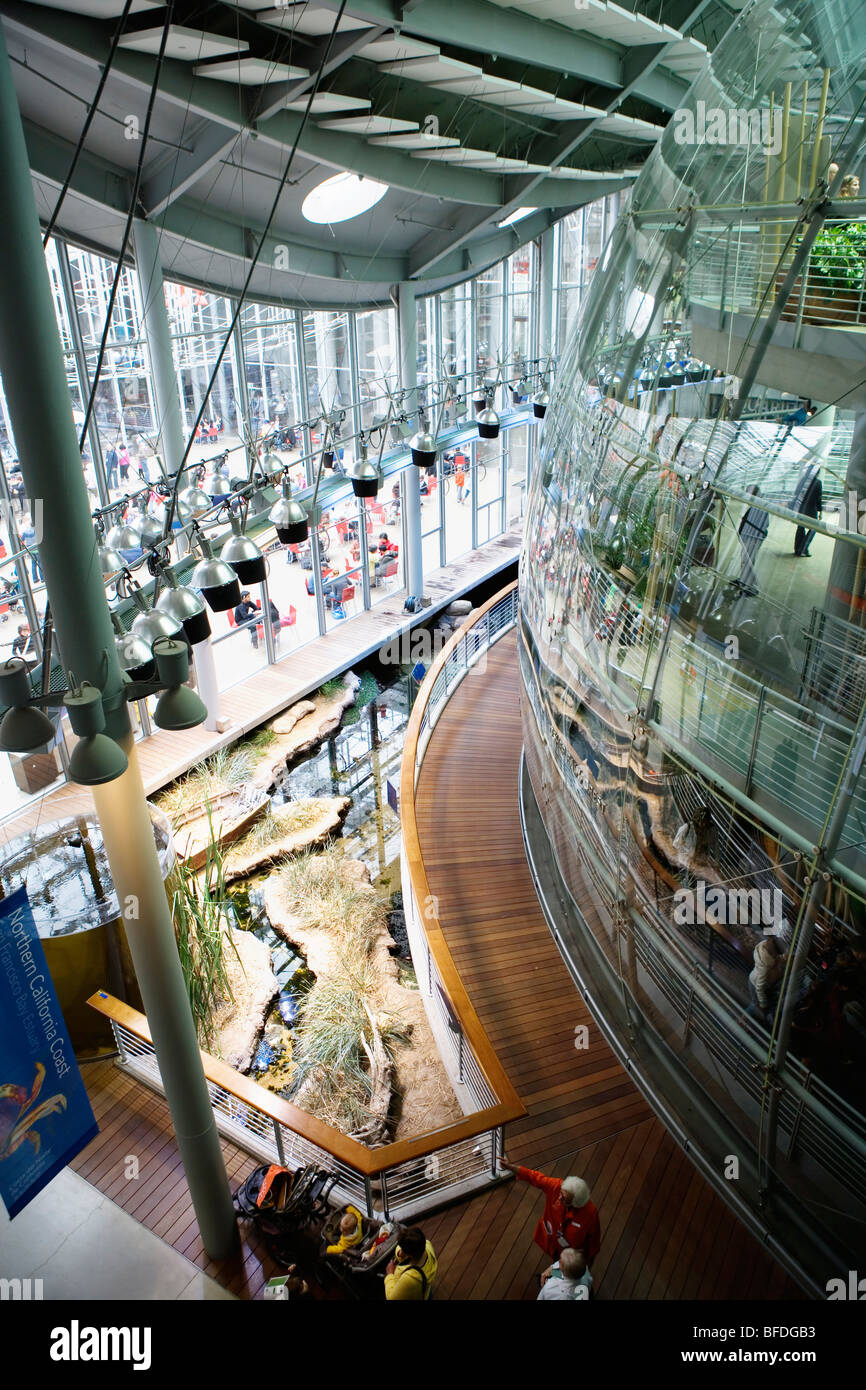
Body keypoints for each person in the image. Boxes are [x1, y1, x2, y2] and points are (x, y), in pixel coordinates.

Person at [499, 1156, 601, 1262]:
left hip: (570, 1256)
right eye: (561, 1193)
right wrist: (511, 1167)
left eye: (565, 1199)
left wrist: (584, 1263)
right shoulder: (557, 1186)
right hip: (549, 1239)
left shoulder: (590, 1214)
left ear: (575, 1203)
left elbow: (593, 1241)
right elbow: (534, 1177)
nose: (559, 1197)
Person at [384, 1226, 437, 1300]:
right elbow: (403, 1251)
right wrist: (399, 1253)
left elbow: (391, 1298)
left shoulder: (410, 1278)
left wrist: (389, 1275)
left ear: (409, 1255)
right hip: (425, 1291)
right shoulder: (427, 1245)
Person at [737, 485, 769, 594]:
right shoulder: (756, 505)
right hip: (748, 538)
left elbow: (761, 526)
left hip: (752, 539)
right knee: (745, 560)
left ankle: (751, 587)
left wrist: (750, 538)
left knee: (748, 562)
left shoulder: (760, 507)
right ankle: (743, 580)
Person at [748, 934, 785, 1021]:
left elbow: (776, 958)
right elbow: (759, 988)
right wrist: (763, 1005)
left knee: (756, 1004)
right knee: (755, 1005)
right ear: (774, 954)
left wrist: (780, 959)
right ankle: (744, 1019)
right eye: (777, 954)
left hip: (757, 980)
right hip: (755, 985)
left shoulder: (764, 947)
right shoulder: (764, 968)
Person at [794, 467, 822, 557]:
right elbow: (818, 498)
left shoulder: (803, 480)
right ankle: (803, 549)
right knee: (813, 528)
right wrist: (820, 510)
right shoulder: (818, 482)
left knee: (800, 528)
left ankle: (797, 549)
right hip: (811, 509)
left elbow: (796, 492)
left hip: (801, 508)